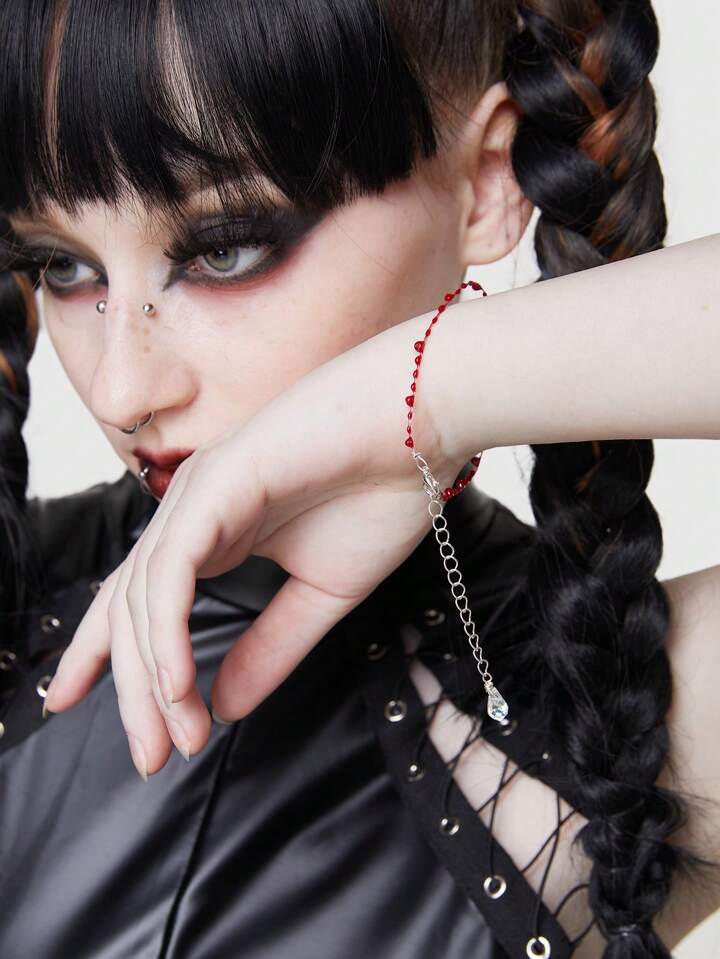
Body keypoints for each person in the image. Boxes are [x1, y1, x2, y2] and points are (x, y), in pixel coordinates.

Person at [0, 1, 718, 957]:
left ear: (487, 180)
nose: (119, 391)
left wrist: (426, 393)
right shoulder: (20, 603)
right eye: (61, 266)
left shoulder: (602, 713)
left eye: (225, 246)